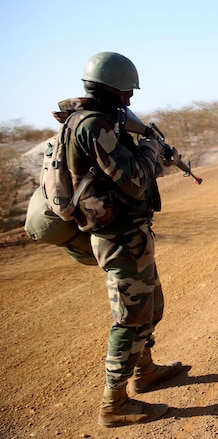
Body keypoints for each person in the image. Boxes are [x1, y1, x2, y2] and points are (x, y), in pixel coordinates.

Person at [57, 52, 183, 427]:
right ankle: (114, 404)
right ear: (109, 88)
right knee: (130, 319)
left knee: (151, 308)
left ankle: (145, 372)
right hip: (118, 238)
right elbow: (135, 179)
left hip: (131, 234)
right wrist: (151, 149)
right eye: (126, 91)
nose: (130, 99)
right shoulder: (93, 125)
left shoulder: (103, 121)